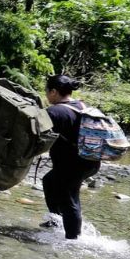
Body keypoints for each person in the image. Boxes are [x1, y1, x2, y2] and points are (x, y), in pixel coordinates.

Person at [40, 75, 101, 240]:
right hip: (90, 161)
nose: (46, 95)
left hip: (71, 164)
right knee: (49, 181)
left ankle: (73, 240)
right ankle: (56, 222)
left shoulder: (55, 111)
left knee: (69, 198)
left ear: (53, 92)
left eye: (47, 91)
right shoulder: (80, 105)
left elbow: (36, 133)